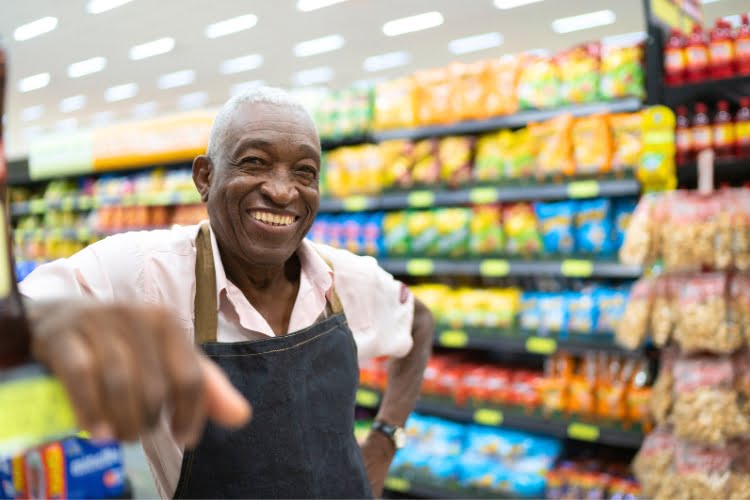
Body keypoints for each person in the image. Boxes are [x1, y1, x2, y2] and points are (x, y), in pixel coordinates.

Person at [19, 87, 434, 499]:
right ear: (205, 177)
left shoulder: (342, 277)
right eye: (255, 162)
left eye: (304, 171)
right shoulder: (144, 271)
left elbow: (418, 319)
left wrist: (384, 439)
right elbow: (21, 315)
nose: (283, 191)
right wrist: (51, 334)